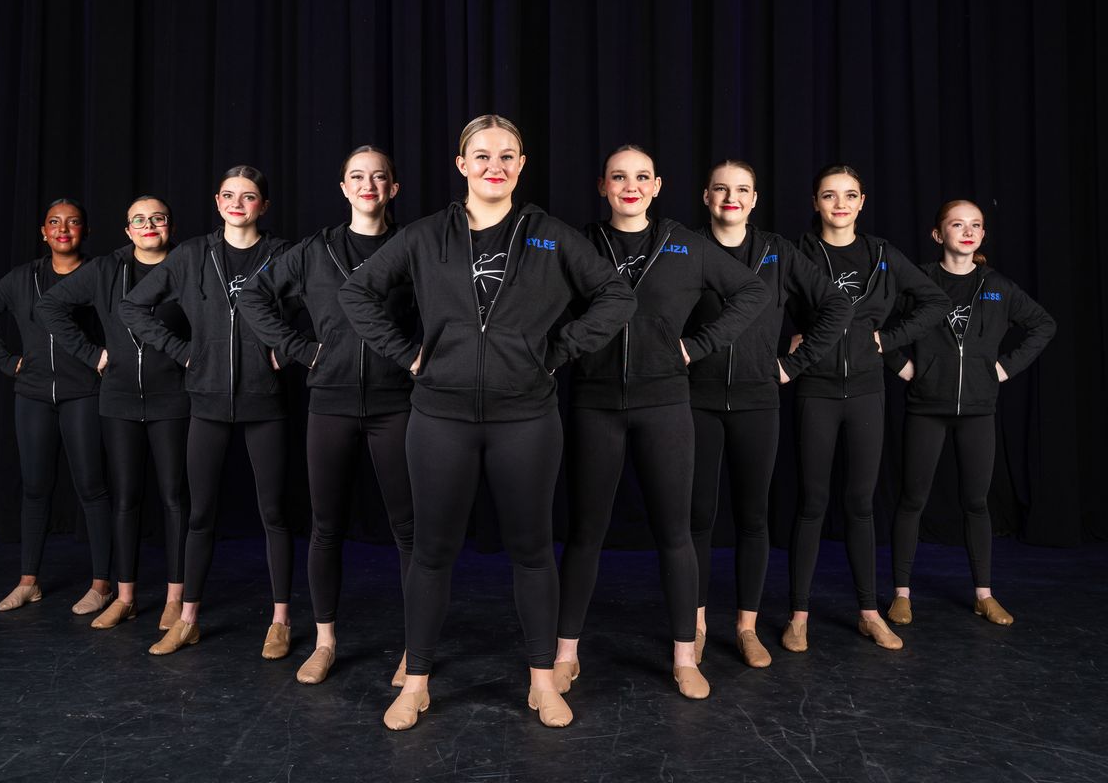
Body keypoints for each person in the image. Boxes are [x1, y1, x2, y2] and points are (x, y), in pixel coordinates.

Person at [339, 115, 636, 730]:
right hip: (440, 416)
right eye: (481, 155)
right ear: (461, 164)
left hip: (525, 417)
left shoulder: (549, 237)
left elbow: (617, 295)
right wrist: (409, 353)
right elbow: (357, 294)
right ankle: (416, 681)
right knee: (431, 552)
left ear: (521, 165)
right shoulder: (425, 236)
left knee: (531, 552)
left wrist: (553, 351)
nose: (493, 165)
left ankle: (543, 681)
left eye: (507, 155)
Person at [555, 147, 768, 698]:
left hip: (665, 406)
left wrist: (697, 347)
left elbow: (752, 291)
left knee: (676, 533)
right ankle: (565, 655)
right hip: (594, 404)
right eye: (619, 177)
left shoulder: (686, 246)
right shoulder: (578, 244)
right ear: (602, 185)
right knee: (584, 534)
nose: (631, 185)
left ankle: (683, 656)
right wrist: (563, 349)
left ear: (657, 186)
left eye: (642, 177)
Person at [239, 147, 415, 686]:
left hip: (398, 405)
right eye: (357, 177)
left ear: (393, 189)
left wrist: (418, 357)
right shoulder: (314, 250)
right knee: (325, 527)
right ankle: (325, 641)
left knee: (410, 531)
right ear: (343, 188)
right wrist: (299, 348)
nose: (368, 185)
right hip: (330, 403)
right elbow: (253, 296)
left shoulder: (414, 246)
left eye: (379, 177)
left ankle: (417, 648)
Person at [118, 165, 295, 659]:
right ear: (218, 202)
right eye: (230, 195)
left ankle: (280, 620)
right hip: (207, 402)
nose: (239, 203)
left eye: (250, 196)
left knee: (275, 513)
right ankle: (188, 618)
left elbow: (320, 305)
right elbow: (133, 308)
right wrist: (183, 351)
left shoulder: (282, 255)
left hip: (265, 403)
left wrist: (285, 348)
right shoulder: (194, 254)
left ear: (263, 205)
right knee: (200, 515)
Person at [687, 160, 851, 668]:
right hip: (695, 400)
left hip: (759, 400)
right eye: (721, 189)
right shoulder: (684, 247)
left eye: (741, 190)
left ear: (754, 200)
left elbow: (836, 306)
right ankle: (691, 627)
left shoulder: (779, 252)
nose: (730, 198)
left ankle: (746, 626)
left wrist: (793, 364)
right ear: (706, 196)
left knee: (753, 517)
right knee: (697, 517)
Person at [784, 164, 949, 654]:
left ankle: (869, 613)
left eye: (849, 195)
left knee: (860, 504)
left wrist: (887, 339)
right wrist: (788, 341)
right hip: (814, 390)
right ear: (815, 202)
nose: (840, 203)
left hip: (865, 393)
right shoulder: (798, 253)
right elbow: (763, 301)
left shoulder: (881, 254)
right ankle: (798, 616)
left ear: (861, 202)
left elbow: (934, 301)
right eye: (829, 195)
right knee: (812, 504)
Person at [885, 199, 1055, 627]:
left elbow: (1043, 325)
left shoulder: (996, 285)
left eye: (975, 225)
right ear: (937, 234)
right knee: (912, 500)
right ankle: (901, 594)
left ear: (982, 235)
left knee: (976, 502)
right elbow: (876, 324)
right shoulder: (919, 281)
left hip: (979, 409)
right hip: (926, 406)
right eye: (956, 224)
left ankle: (984, 594)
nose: (967, 231)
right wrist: (904, 366)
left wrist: (1003, 368)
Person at [37, 195, 190, 631]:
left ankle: (176, 599)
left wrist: (190, 358)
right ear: (127, 230)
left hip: (173, 398)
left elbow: (214, 320)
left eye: (157, 218)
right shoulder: (107, 269)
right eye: (138, 220)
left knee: (175, 498)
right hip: (119, 399)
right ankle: (125, 596)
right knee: (125, 499)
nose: (148, 226)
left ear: (170, 227)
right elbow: (49, 307)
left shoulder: (187, 266)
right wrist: (91, 355)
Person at [0, 198, 114, 614]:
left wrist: (104, 359)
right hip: (32, 393)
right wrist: (5, 360)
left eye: (73, 223)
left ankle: (101, 584)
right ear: (43, 232)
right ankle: (28, 581)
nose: (63, 229)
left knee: (92, 487)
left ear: (85, 231)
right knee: (35, 488)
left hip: (84, 392)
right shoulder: (23, 278)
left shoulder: (99, 274)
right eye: (55, 222)